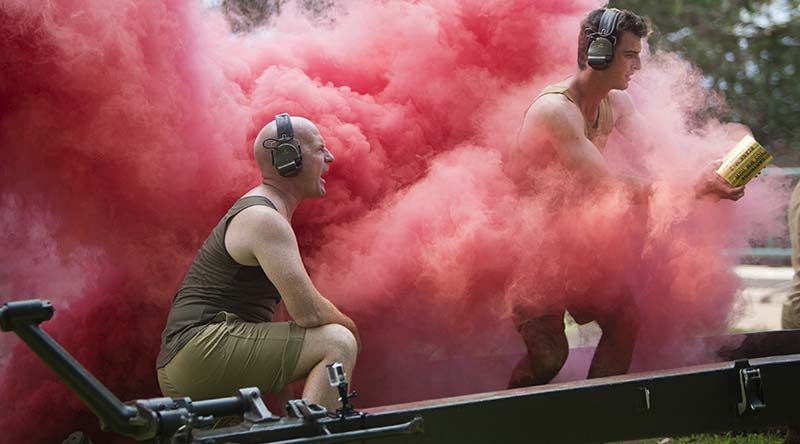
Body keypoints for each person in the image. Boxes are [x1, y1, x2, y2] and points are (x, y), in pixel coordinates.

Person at [508, 8, 746, 388]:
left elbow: (661, 149)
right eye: (630, 55)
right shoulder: (555, 111)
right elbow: (607, 187)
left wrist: (711, 164)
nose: (637, 66)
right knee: (549, 357)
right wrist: (693, 188)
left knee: (626, 318)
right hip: (529, 246)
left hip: (575, 242)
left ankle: (595, 425)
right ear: (598, 52)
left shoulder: (616, 103)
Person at [156, 114, 359, 410]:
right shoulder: (263, 218)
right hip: (200, 349)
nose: (329, 157)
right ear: (288, 158)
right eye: (319, 148)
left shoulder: (269, 213)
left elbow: (273, 326)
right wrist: (351, 328)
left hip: (193, 359)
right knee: (337, 340)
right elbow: (308, 313)